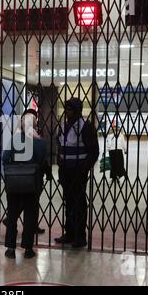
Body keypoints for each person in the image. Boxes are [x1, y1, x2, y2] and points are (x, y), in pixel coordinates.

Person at [2, 109, 53, 259]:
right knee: (30, 216)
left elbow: (5, 158)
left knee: (12, 215)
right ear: (35, 125)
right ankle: (28, 249)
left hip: (15, 183)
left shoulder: (14, 139)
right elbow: (43, 161)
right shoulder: (41, 142)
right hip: (33, 183)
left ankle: (11, 248)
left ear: (22, 125)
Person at [55, 98, 99, 248]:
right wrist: (60, 163)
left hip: (78, 172)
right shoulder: (63, 126)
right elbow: (59, 145)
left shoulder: (85, 127)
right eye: (66, 109)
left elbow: (94, 152)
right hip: (65, 171)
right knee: (68, 203)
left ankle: (80, 236)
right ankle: (69, 233)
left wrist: (83, 169)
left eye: (70, 109)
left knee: (79, 204)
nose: (67, 112)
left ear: (77, 111)